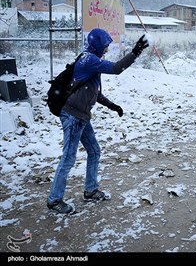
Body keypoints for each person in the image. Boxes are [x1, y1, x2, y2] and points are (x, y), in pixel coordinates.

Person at [47, 28, 150, 214]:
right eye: (105, 45)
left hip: (82, 116)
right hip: (73, 116)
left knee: (94, 151)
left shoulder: (89, 60)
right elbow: (116, 69)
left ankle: (91, 190)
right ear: (97, 44)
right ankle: (54, 200)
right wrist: (135, 52)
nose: (106, 49)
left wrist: (112, 105)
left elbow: (93, 92)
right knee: (68, 158)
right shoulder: (89, 60)